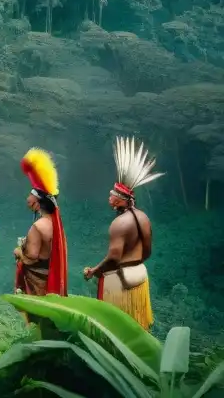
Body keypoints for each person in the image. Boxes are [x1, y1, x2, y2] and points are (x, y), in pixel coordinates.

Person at [83, 136, 163, 330]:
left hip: (120, 281)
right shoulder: (143, 217)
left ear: (120, 199)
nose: (109, 197)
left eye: (112, 194)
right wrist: (135, 262)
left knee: (115, 331)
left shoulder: (119, 224)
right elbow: (148, 251)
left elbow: (113, 258)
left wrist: (94, 271)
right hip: (140, 275)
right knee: (138, 328)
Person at [15, 147, 68, 297]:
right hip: (49, 278)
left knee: (36, 319)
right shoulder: (56, 224)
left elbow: (32, 257)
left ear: (37, 203)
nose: (27, 199)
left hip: (38, 282)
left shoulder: (38, 226)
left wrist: (19, 252)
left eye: (30, 197)